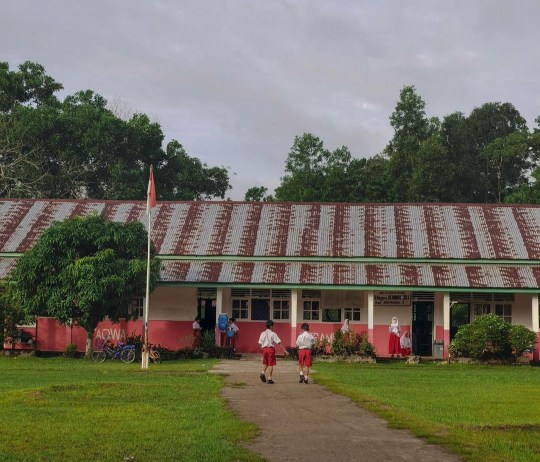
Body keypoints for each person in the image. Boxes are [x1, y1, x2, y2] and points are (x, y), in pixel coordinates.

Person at [258, 320, 288, 384]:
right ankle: (269, 379)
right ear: (271, 326)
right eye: (273, 326)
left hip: (264, 349)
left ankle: (262, 373)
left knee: (266, 362)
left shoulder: (262, 333)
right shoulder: (273, 334)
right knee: (271, 364)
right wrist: (285, 350)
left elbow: (260, 343)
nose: (274, 327)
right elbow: (279, 342)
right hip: (270, 349)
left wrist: (262, 351)